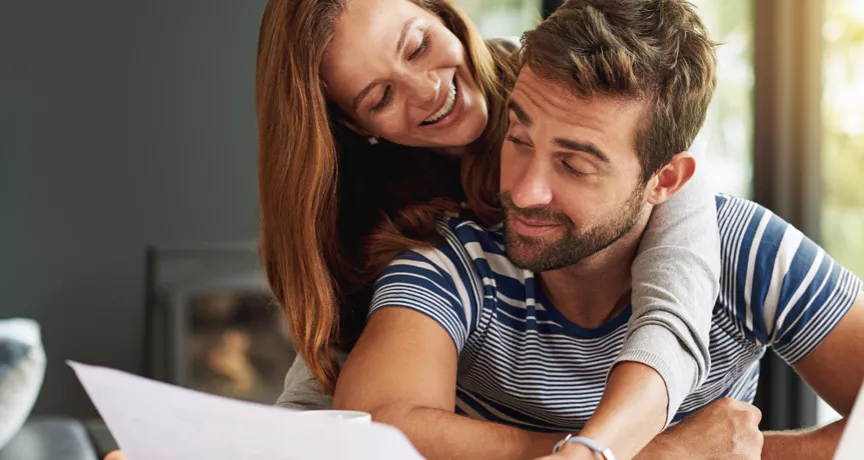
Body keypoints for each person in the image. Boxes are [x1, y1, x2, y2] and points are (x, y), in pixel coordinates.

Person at [102, 0, 718, 458]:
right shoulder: (370, 227)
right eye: (379, 97)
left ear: (441, 12)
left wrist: (605, 449)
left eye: (418, 45)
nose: (429, 91)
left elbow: (678, 301)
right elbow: (334, 401)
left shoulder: (568, 89)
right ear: (353, 125)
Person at [330, 1, 864, 459]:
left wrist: (750, 451)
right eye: (518, 139)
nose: (523, 189)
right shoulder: (451, 262)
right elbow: (371, 428)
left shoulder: (744, 249)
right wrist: (659, 454)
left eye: (575, 165)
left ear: (666, 179)